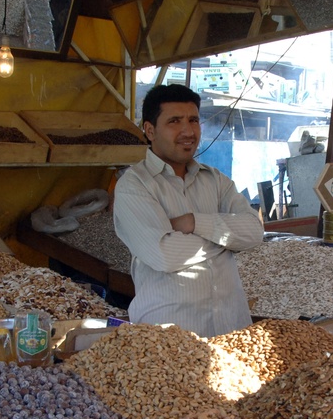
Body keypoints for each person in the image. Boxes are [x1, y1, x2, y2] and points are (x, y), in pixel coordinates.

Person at [113, 84, 264, 338]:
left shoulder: (215, 180)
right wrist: (227, 242)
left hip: (232, 330)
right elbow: (166, 254)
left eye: (193, 120)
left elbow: (254, 232)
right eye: (174, 121)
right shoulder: (134, 185)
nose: (188, 131)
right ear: (150, 130)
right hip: (169, 338)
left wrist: (195, 223)